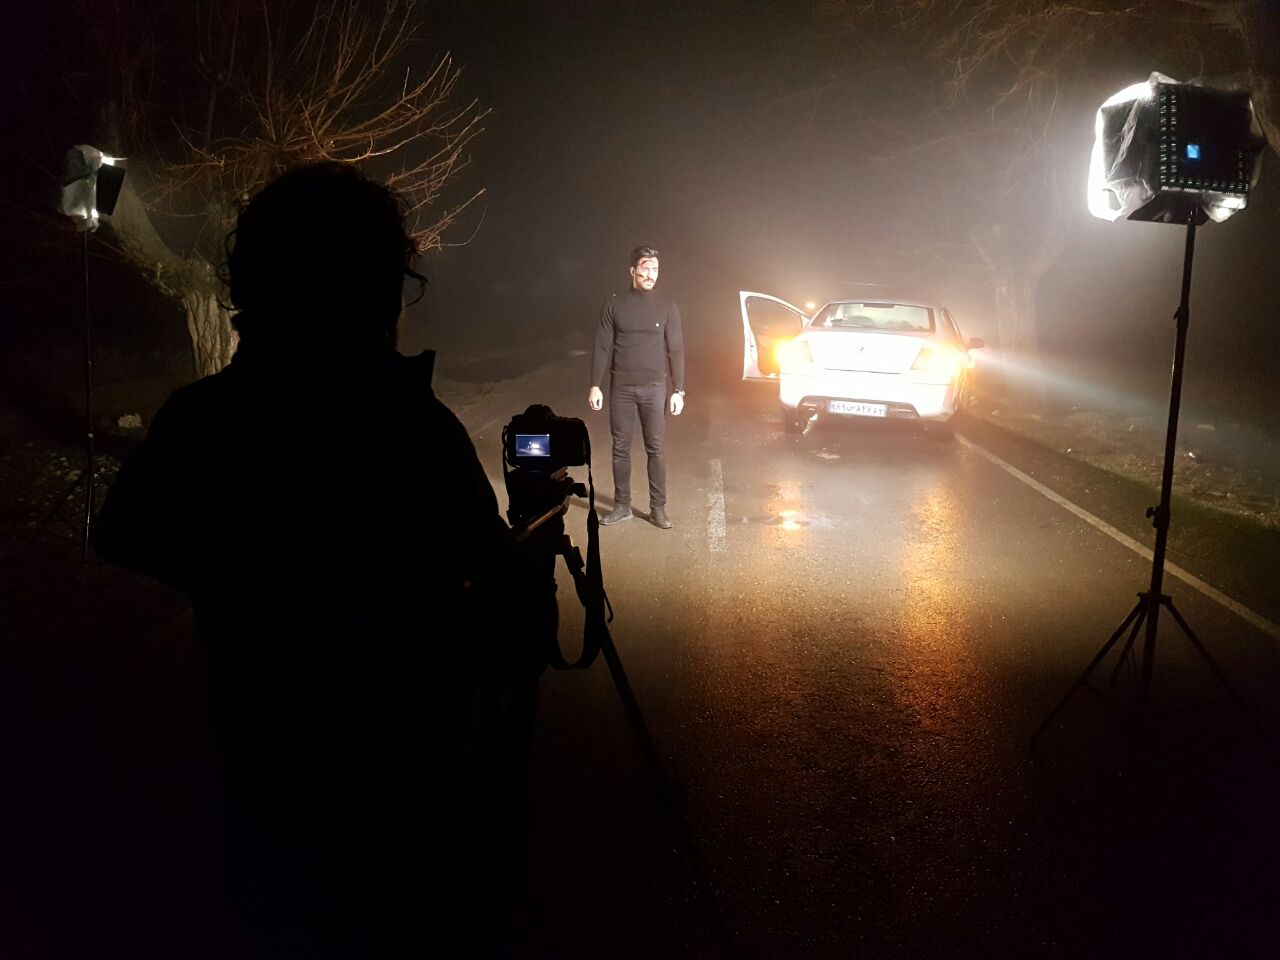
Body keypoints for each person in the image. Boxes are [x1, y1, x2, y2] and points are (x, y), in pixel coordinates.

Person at [95, 163, 550, 957]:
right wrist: (533, 548)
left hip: (258, 794)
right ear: (375, 288)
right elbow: (509, 636)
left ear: (251, 285)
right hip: (400, 808)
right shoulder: (411, 429)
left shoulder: (208, 420)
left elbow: (128, 537)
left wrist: (243, 573)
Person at [587, 245, 685, 529]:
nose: (650, 274)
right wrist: (595, 385)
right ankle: (622, 505)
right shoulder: (614, 304)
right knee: (620, 448)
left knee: (656, 448)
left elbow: (676, 348)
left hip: (655, 388)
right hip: (622, 389)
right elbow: (602, 346)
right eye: (645, 268)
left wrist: (679, 389)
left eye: (655, 269)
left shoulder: (667, 305)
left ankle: (658, 508)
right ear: (633, 271)